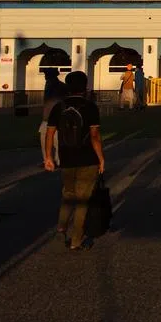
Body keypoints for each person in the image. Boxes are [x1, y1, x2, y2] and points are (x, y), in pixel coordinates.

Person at [44, 71, 104, 251]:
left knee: (68, 194)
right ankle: (76, 239)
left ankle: (61, 227)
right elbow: (94, 136)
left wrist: (48, 157)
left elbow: (50, 133)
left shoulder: (59, 107)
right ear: (84, 86)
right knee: (82, 201)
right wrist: (101, 158)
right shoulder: (90, 107)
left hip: (66, 158)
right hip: (87, 159)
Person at [39, 70, 66, 167]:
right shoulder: (48, 86)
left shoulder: (61, 87)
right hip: (47, 117)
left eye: (48, 75)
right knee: (44, 140)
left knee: (57, 141)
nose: (46, 77)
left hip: (56, 118)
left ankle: (58, 161)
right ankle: (47, 160)